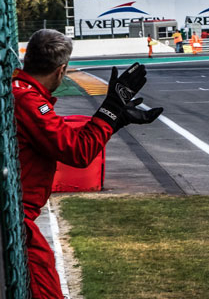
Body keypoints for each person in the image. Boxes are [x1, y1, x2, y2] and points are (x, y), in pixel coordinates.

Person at [12, 29, 162, 299]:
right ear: (61, 70)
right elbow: (78, 151)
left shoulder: (20, 91)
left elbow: (63, 136)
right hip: (18, 218)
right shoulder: (28, 100)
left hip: (18, 215)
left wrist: (114, 120)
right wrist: (111, 108)